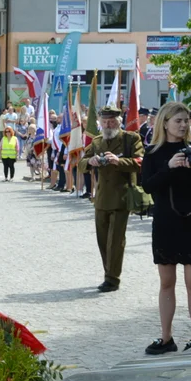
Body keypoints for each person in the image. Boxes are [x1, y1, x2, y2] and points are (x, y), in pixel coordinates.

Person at [140, 102, 191, 354]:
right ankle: (166, 337)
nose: (183, 125)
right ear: (165, 123)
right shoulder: (152, 152)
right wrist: (169, 167)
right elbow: (149, 186)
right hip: (166, 221)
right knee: (166, 281)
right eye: (178, 121)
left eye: (186, 121)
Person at [78, 105, 144, 292]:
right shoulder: (97, 142)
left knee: (115, 240)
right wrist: (90, 162)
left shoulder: (130, 139)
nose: (108, 125)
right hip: (101, 198)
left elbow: (140, 162)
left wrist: (118, 161)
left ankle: (112, 278)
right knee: (102, 240)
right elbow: (81, 163)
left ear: (119, 122)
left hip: (122, 197)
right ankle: (109, 271)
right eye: (104, 121)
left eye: (111, 121)